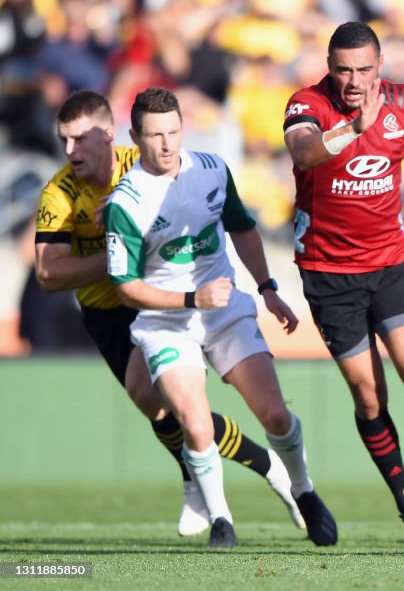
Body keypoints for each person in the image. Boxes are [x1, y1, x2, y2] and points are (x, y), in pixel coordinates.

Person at [35, 89, 304, 538]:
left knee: (178, 407)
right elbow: (47, 274)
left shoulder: (140, 166)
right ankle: (226, 474)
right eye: (64, 140)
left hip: (169, 301)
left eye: (79, 139)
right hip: (110, 311)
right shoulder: (59, 193)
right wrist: (121, 253)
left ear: (108, 135)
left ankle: (232, 481)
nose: (69, 151)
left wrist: (134, 242)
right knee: (159, 408)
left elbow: (208, 213)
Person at [104, 87, 337, 549]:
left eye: (173, 132)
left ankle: (303, 489)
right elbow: (125, 286)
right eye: (154, 136)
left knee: (274, 414)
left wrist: (268, 290)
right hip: (166, 320)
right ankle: (221, 520)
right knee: (195, 422)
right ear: (134, 137)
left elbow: (244, 229)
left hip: (224, 308)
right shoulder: (126, 203)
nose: (167, 145)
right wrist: (192, 299)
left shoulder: (211, 169)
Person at [282, 22, 404, 548]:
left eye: (364, 70)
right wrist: (352, 128)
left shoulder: (403, 103)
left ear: (380, 67)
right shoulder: (307, 103)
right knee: (370, 396)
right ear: (330, 67)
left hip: (390, 265)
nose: (353, 81)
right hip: (329, 276)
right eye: (344, 70)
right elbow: (304, 152)